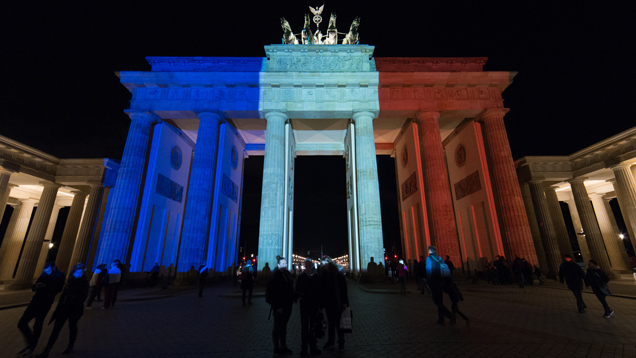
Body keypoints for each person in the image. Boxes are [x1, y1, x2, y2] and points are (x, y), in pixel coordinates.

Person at [36, 264, 89, 358]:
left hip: (74, 309)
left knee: (72, 327)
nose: (79, 273)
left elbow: (83, 296)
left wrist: (75, 303)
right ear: (74, 272)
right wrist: (58, 308)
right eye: (77, 271)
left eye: (80, 272)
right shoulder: (70, 281)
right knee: (56, 329)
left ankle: (70, 346)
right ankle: (47, 350)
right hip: (64, 308)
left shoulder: (84, 282)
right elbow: (62, 295)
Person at [17, 262, 65, 357]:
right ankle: (31, 343)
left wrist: (45, 286)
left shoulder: (60, 275)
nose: (46, 272)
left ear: (53, 268)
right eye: (45, 271)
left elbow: (58, 289)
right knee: (21, 323)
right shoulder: (43, 274)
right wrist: (36, 286)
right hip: (35, 301)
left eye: (48, 271)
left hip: (45, 304)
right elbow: (34, 287)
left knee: (38, 325)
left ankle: (31, 348)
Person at [320, 257, 349, 352]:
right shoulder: (323, 274)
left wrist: (345, 302)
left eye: (325, 263)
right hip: (329, 304)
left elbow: (344, 289)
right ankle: (331, 341)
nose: (324, 264)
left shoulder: (338, 275)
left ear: (330, 263)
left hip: (337, 303)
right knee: (331, 324)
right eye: (322, 263)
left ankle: (341, 343)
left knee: (339, 324)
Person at [267, 256, 294, 356]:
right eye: (282, 263)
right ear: (278, 265)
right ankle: (276, 348)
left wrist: (295, 296)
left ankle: (283, 346)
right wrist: (277, 306)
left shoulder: (286, 273)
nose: (284, 265)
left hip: (287, 305)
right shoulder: (275, 275)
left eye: (285, 263)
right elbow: (273, 292)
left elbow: (289, 289)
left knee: (283, 326)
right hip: (279, 307)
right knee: (278, 327)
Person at [295, 259, 322, 356]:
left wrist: (320, 305)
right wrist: (299, 297)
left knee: (313, 327)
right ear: (305, 266)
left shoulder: (316, 277)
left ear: (312, 265)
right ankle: (304, 348)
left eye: (310, 264)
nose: (308, 266)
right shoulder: (301, 277)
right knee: (304, 328)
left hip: (314, 306)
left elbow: (320, 291)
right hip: (305, 306)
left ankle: (313, 347)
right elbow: (297, 290)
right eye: (307, 264)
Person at [426, 246, 453, 325]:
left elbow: (428, 271)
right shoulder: (440, 258)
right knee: (439, 301)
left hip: (434, 282)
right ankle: (441, 319)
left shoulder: (429, 259)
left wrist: (429, 281)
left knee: (436, 301)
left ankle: (449, 316)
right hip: (441, 282)